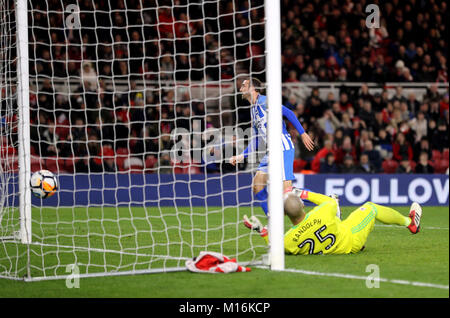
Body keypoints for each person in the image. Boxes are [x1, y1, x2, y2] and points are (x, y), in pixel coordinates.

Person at [244, 188, 422, 255]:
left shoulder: (288, 239)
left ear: (285, 215)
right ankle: (410, 223)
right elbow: (330, 201)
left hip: (329, 242)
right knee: (370, 208)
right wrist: (302, 193)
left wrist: (263, 231)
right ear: (303, 206)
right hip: (349, 241)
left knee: (334, 219)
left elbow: (275, 248)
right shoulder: (322, 210)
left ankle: (340, 225)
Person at [229, 78, 315, 217]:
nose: (240, 89)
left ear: (253, 88)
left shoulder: (265, 101)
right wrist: (242, 155)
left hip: (281, 146)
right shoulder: (253, 110)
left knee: (287, 192)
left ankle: (328, 201)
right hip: (271, 151)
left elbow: (288, 113)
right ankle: (272, 216)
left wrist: (303, 133)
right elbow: (257, 138)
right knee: (257, 184)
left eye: (244, 85)